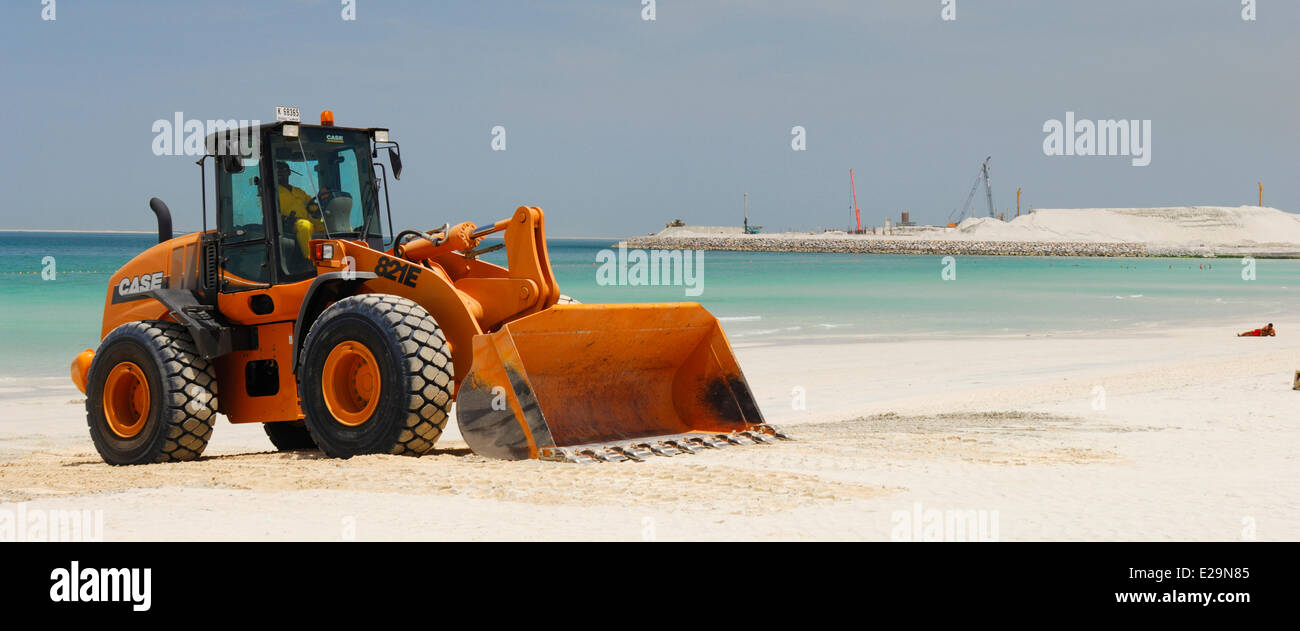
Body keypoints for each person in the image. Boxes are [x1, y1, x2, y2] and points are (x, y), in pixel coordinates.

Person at [275, 161, 323, 257]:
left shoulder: (298, 191)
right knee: (305, 226)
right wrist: (285, 219)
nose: (280, 172)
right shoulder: (272, 192)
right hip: (289, 224)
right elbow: (269, 214)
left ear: (289, 172)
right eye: (277, 170)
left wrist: (318, 210)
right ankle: (309, 260)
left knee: (330, 226)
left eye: (283, 170)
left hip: (309, 220)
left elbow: (312, 205)